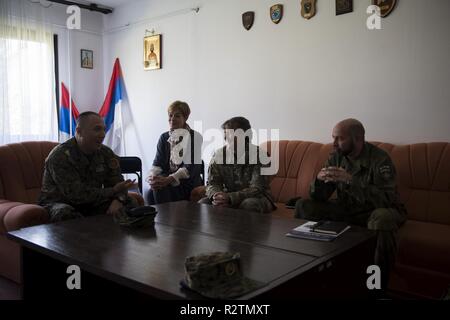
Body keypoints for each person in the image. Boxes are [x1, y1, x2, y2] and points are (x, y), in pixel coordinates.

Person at [294, 118, 407, 290]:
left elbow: (385, 199)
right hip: (348, 210)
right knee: (304, 205)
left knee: (381, 218)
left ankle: (377, 285)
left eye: (339, 138)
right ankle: (306, 269)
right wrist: (319, 180)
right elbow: (318, 197)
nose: (333, 143)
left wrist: (350, 181)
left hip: (375, 211)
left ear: (358, 139)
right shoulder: (337, 157)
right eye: (333, 138)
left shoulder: (380, 160)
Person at [39, 111, 137, 222]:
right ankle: (87, 239)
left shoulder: (105, 153)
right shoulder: (60, 156)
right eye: (97, 129)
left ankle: (121, 238)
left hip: (91, 202)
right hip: (59, 203)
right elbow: (76, 195)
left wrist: (118, 199)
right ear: (79, 131)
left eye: (103, 129)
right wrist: (113, 191)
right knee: (64, 212)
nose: (103, 134)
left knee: (129, 202)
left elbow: (119, 184)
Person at [198, 117, 275, 214]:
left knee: (249, 204)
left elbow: (257, 189)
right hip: (226, 196)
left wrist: (230, 198)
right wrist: (217, 195)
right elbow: (212, 183)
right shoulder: (219, 154)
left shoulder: (260, 155)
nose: (229, 137)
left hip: (258, 198)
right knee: (203, 203)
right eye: (227, 134)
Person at [146, 101, 203, 204]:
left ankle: (165, 220)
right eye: (170, 115)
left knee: (159, 190)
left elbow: (189, 169)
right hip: (167, 181)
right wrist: (153, 178)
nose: (172, 119)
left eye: (177, 116)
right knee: (150, 192)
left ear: (185, 118)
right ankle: (161, 219)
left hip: (187, 183)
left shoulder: (195, 137)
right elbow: (157, 163)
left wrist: (168, 179)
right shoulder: (164, 137)